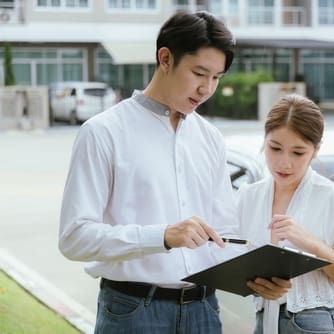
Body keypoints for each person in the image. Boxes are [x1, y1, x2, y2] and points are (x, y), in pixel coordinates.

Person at [59, 11, 239, 334]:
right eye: (199, 73)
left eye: (217, 78)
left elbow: (225, 232)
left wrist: (257, 274)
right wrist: (162, 236)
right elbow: (74, 238)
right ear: (165, 58)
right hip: (134, 313)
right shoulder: (103, 133)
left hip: (204, 312)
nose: (206, 89)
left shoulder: (211, 139)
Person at [238, 94, 334, 334]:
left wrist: (312, 244)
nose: (284, 163)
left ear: (316, 150)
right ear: (264, 139)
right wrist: (259, 286)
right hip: (264, 324)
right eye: (275, 148)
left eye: (298, 152)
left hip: (320, 324)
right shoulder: (248, 196)